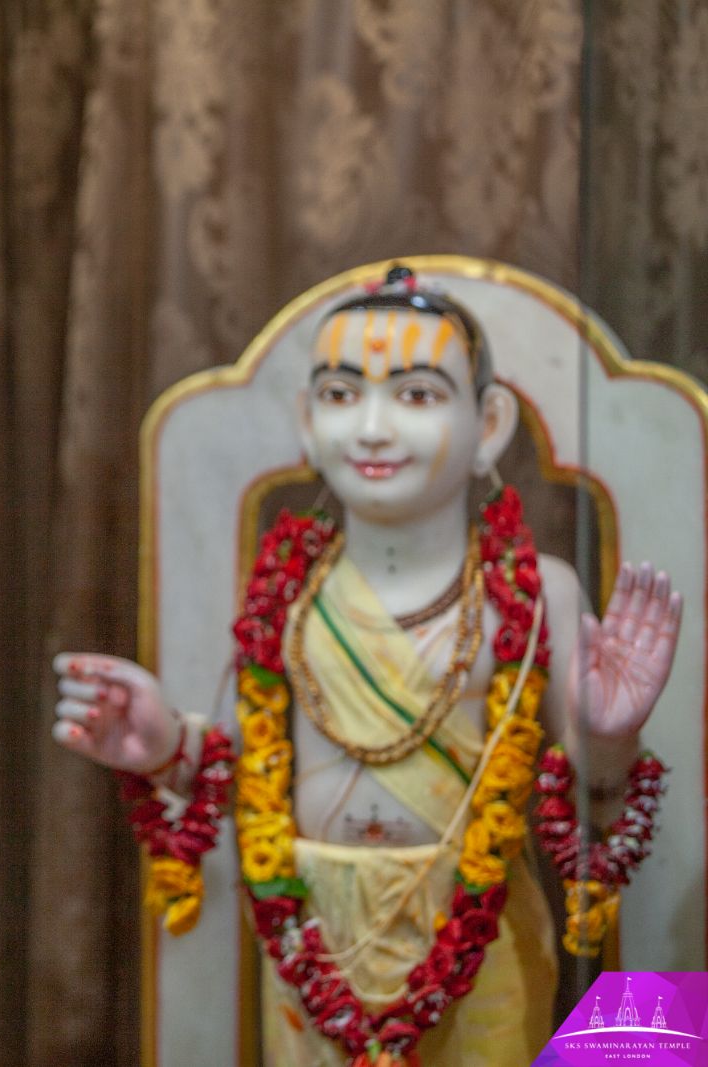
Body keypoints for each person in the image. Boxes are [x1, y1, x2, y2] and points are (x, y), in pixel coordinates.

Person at [53, 268, 682, 1066]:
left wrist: (609, 735)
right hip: (313, 944)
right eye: (343, 395)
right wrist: (168, 742)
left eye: (416, 395)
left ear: (489, 423)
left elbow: (596, 799)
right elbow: (257, 769)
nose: (374, 428)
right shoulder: (284, 590)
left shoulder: (531, 592)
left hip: (476, 949)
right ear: (307, 421)